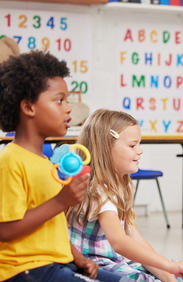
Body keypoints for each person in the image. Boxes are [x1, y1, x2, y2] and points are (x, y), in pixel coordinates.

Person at [0, 51, 121, 282]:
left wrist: (78, 258)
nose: (68, 109)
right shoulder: (10, 160)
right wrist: (61, 201)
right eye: (59, 100)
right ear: (28, 107)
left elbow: (51, 227)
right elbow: (4, 230)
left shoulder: (47, 163)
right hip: (25, 270)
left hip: (57, 263)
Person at [66, 109, 183, 282]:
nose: (140, 151)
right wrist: (169, 267)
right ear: (106, 148)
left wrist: (169, 275)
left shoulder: (123, 184)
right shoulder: (98, 190)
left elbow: (135, 239)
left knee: (175, 275)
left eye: (139, 144)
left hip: (114, 260)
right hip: (94, 265)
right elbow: (119, 242)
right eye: (132, 145)